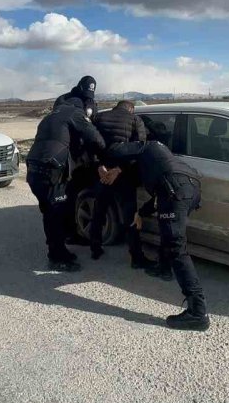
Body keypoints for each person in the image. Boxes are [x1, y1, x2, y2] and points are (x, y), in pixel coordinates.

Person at [100, 127, 208, 331]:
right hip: (189, 188)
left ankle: (197, 312)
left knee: (177, 246)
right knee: (168, 231)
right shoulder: (164, 156)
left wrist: (103, 155)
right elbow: (161, 197)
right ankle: (164, 268)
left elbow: (116, 151)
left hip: (174, 190)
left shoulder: (146, 146)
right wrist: (141, 212)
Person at [26, 97, 105, 272]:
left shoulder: (49, 117)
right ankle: (56, 257)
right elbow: (96, 139)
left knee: (50, 211)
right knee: (55, 213)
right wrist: (104, 157)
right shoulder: (75, 113)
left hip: (33, 170)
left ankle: (61, 247)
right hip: (51, 171)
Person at [88, 100, 150, 268]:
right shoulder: (135, 120)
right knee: (131, 216)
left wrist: (99, 167)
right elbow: (140, 148)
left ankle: (95, 249)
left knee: (99, 211)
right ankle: (136, 257)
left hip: (103, 173)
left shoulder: (98, 118)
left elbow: (89, 144)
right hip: (124, 175)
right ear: (131, 109)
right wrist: (119, 169)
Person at [53, 76, 99, 245]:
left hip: (82, 154)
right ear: (79, 87)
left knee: (75, 192)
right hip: (64, 152)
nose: (88, 96)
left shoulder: (91, 102)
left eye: (91, 94)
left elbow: (93, 125)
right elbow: (59, 126)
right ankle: (66, 233)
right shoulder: (64, 100)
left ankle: (73, 230)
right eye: (86, 92)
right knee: (64, 194)